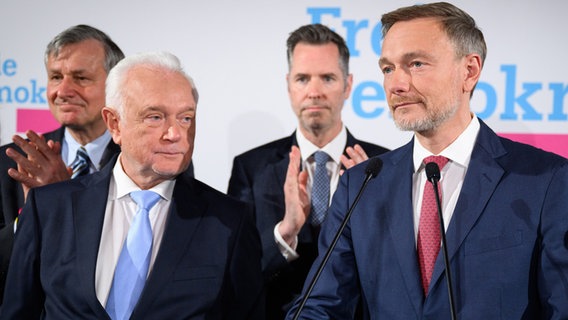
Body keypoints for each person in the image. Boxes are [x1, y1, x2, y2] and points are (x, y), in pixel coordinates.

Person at [286, 2, 568, 319]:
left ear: (470, 71)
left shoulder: (547, 181)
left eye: (416, 64)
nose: (396, 84)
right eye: (388, 69)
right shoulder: (361, 185)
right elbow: (321, 304)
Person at [0, 51, 264, 319]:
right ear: (114, 123)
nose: (175, 134)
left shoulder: (230, 221)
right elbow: (18, 312)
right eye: (155, 117)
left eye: (185, 118)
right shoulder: (49, 207)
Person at [0, 25, 195, 303]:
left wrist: (63, 200)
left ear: (115, 89)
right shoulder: (10, 161)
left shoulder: (157, 158)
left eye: (81, 78)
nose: (63, 90)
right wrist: (33, 214)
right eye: (56, 77)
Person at [228, 23, 389, 319]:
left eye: (327, 78)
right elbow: (237, 276)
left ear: (348, 84)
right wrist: (285, 233)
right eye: (303, 79)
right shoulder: (250, 168)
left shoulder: (385, 166)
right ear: (289, 84)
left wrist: (372, 214)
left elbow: (398, 274)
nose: (314, 92)